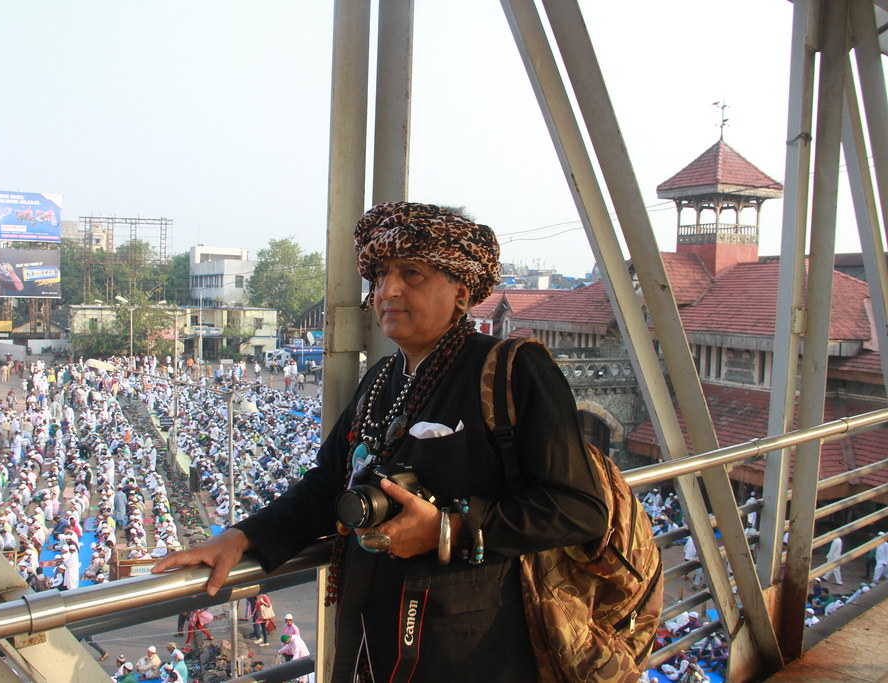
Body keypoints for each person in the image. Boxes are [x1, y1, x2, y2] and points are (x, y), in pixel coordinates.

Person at [153, 201, 607, 681]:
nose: (387, 290)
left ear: (462, 291)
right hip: (377, 642)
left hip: (479, 648)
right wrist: (244, 536)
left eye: (412, 274)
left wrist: (447, 529)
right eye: (381, 275)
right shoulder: (380, 380)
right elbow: (328, 483)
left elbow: (578, 507)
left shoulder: (512, 368)